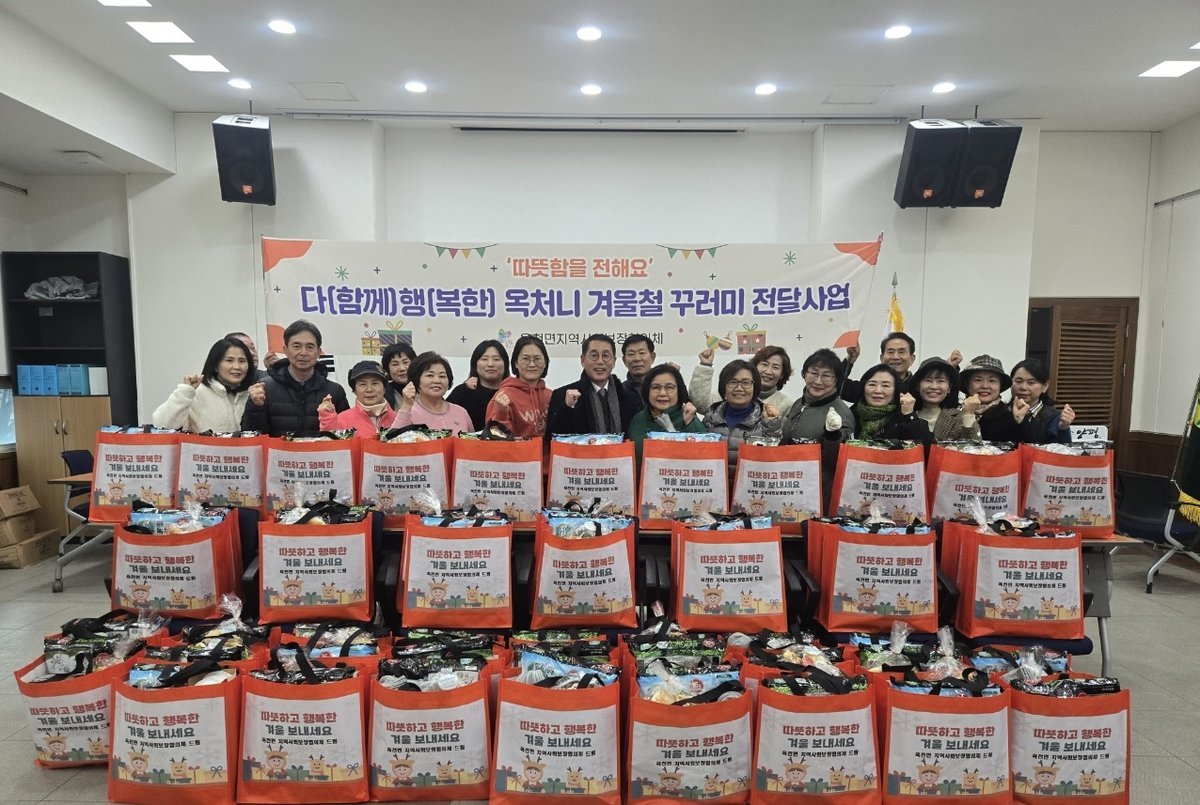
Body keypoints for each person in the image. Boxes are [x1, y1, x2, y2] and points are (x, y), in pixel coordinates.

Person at [241, 320, 349, 436]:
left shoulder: (334, 391)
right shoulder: (264, 388)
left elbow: (346, 434)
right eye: (297, 346)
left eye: (310, 347)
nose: (303, 353)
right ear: (286, 350)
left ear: (318, 352)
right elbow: (250, 434)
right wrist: (255, 407)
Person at [152, 337, 254, 433]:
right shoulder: (196, 393)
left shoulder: (253, 394)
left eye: (242, 361)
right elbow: (162, 425)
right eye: (229, 360)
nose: (237, 367)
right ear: (215, 365)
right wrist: (185, 392)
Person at [546, 334, 639, 436]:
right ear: (582, 360)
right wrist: (567, 407)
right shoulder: (563, 395)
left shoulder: (628, 397)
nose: (600, 361)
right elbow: (552, 437)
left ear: (614, 361)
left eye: (606, 356)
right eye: (594, 355)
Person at [703, 360, 782, 475]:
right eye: (732, 382)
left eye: (746, 382)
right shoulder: (710, 418)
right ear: (723, 387)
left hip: (749, 485)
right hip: (715, 485)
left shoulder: (767, 420)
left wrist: (772, 424)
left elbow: (773, 460)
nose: (739, 388)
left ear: (755, 387)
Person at [972, 357, 1076, 444]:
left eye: (1031, 382)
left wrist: (1063, 428)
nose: (1023, 387)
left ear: (1044, 386)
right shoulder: (999, 411)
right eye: (1018, 381)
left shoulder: (1054, 417)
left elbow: (1063, 451)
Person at [626, 364, 705, 464]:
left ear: (679, 390)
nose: (662, 393)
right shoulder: (638, 421)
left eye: (669, 387)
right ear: (647, 391)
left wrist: (689, 423)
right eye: (656, 387)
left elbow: (704, 456)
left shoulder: (689, 418)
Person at [691, 344, 795, 416]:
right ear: (755, 366)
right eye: (764, 364)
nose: (768, 371)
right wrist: (705, 366)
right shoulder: (730, 392)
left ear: (782, 374)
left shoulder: (786, 405)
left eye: (775, 367)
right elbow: (702, 405)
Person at [781, 348, 855, 443]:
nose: (818, 382)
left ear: (836, 380)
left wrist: (832, 435)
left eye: (826, 376)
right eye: (814, 373)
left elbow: (839, 450)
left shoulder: (841, 415)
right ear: (804, 374)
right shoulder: (798, 403)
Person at [485, 334, 552, 438]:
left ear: (545, 363)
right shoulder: (503, 396)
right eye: (525, 359)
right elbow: (495, 439)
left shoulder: (551, 396)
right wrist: (501, 415)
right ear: (516, 363)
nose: (532, 364)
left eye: (537, 359)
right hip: (517, 449)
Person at [392, 351, 475, 434]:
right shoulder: (408, 413)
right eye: (430, 375)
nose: (437, 380)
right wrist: (406, 406)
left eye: (442, 376)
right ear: (416, 380)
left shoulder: (461, 412)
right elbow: (392, 439)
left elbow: (472, 441)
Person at [910, 356, 982, 442]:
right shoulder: (906, 415)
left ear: (949, 388)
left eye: (940, 381)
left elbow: (975, 445)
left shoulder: (959, 418)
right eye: (928, 380)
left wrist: (968, 415)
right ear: (918, 386)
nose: (934, 386)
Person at [318, 360, 397, 436]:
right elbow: (329, 443)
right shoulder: (342, 420)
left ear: (384, 389)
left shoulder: (398, 420)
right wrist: (327, 420)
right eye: (363, 384)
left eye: (375, 383)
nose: (369, 389)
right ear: (354, 390)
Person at [850, 364, 926, 440]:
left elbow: (922, 443)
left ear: (895, 390)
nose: (878, 391)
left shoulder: (903, 417)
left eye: (885, 386)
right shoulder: (852, 414)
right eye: (872, 384)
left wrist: (908, 415)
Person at [447, 339, 510, 430]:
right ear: (475, 365)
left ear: (505, 365)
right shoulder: (462, 392)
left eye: (496, 359)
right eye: (484, 359)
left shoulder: (512, 392)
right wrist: (464, 388)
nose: (490, 364)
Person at [620, 335, 656, 414]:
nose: (637, 359)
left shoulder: (665, 387)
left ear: (652, 357)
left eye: (642, 353)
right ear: (624, 360)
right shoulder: (619, 392)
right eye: (631, 354)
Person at [381, 342, 417, 410]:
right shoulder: (383, 393)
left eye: (406, 362)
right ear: (388, 369)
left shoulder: (425, 389)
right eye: (395, 364)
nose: (402, 368)